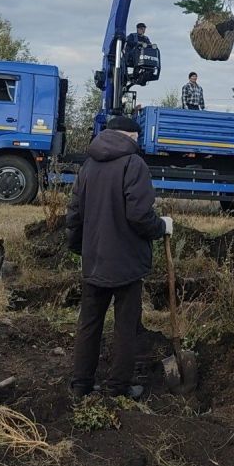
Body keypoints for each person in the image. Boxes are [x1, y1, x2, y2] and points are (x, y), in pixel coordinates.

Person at [66, 115, 172, 400]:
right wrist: (162, 226)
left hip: (95, 259)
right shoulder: (133, 164)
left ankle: (81, 385)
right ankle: (117, 387)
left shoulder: (89, 165)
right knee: (126, 326)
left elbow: (74, 212)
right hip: (125, 261)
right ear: (131, 136)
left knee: (89, 322)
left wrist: (79, 247)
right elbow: (138, 215)